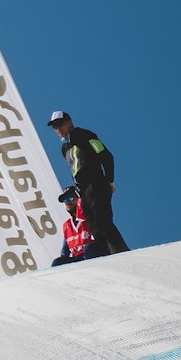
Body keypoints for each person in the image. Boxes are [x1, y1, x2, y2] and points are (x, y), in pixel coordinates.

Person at [46, 110, 130, 255]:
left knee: (103, 220)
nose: (58, 129)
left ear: (69, 122)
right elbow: (74, 169)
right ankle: (105, 255)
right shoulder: (64, 147)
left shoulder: (84, 135)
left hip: (96, 183)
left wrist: (109, 181)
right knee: (92, 225)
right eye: (55, 127)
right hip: (82, 191)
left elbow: (106, 156)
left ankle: (122, 252)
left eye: (60, 124)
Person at [51, 186, 101, 266]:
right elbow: (65, 250)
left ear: (79, 199)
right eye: (65, 200)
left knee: (89, 248)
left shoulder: (90, 217)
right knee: (57, 263)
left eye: (70, 198)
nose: (67, 202)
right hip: (78, 260)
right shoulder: (67, 225)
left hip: (92, 256)